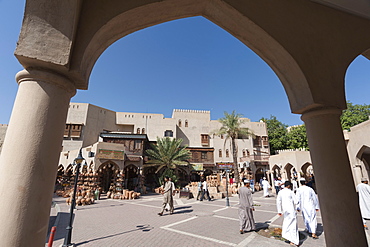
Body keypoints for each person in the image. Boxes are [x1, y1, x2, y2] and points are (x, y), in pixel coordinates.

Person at [277, 181, 299, 247]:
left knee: (287, 224)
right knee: (293, 226)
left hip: (285, 211)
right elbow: (296, 201)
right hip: (291, 210)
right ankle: (294, 241)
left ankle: (289, 237)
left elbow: (278, 202)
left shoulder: (280, 192)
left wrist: (279, 211)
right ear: (289, 186)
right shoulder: (290, 192)